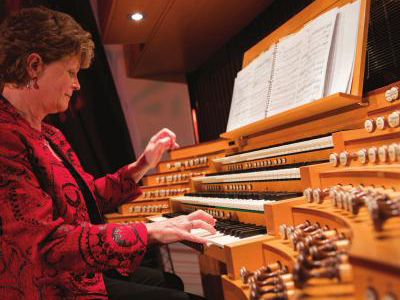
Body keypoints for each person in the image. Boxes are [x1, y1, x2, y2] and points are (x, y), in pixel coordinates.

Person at [0, 6, 216, 300]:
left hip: (78, 269)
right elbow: (45, 245)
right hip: (49, 288)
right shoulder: (5, 137)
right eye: (71, 72)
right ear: (34, 65)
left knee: (170, 283)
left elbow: (88, 197)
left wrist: (142, 165)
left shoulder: (50, 134)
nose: (76, 84)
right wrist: (150, 232)